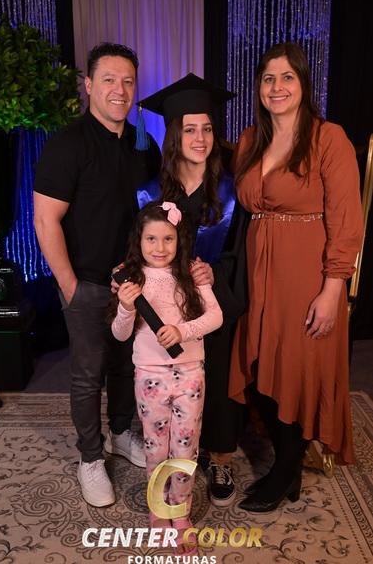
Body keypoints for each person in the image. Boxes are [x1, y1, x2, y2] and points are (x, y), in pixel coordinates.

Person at [229, 42, 363, 512]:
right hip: (257, 271)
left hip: (307, 274)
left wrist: (333, 287)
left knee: (297, 367)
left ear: (304, 84)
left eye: (287, 77)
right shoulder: (250, 140)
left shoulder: (328, 138)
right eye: (268, 78)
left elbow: (347, 219)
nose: (277, 87)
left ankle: (286, 468)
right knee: (260, 363)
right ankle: (285, 465)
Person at [33, 42, 161, 507]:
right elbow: (44, 220)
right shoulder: (67, 144)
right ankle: (90, 457)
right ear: (89, 85)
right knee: (88, 375)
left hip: (132, 283)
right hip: (85, 283)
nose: (119, 89)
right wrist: (70, 287)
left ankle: (121, 433)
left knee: (126, 364)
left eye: (128, 81)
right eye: (108, 79)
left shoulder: (143, 145)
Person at [137, 73, 249, 506]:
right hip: (164, 306)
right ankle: (170, 452)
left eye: (207, 129)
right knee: (168, 378)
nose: (200, 139)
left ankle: (219, 456)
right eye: (189, 129)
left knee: (216, 377)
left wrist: (213, 275)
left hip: (211, 303)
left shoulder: (231, 190)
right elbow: (142, 246)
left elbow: (239, 251)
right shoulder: (151, 191)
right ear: (174, 135)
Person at [110, 201, 223, 552]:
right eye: (151, 239)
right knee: (156, 447)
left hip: (190, 374)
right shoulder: (131, 280)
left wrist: (182, 331)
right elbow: (119, 334)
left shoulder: (190, 273)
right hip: (150, 376)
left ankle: (180, 511)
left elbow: (215, 316)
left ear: (179, 240)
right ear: (139, 241)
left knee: (185, 446)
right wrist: (126, 307)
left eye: (168, 239)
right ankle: (159, 510)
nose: (160, 248)